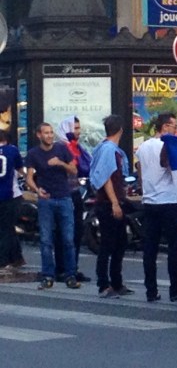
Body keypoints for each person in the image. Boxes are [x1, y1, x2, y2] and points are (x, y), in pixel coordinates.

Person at [136, 112, 177, 302]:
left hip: (150, 201)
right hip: (169, 200)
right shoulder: (168, 146)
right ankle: (176, 289)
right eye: (174, 126)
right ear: (165, 126)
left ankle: (151, 290)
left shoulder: (143, 147)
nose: (175, 129)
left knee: (150, 249)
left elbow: (141, 173)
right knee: (175, 248)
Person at [25, 122, 81, 290]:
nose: (49, 136)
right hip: (46, 200)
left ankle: (70, 274)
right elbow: (29, 178)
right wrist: (37, 190)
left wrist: (60, 163)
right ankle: (48, 275)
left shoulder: (61, 149)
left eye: (51, 133)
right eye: (46, 133)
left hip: (64, 198)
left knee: (68, 239)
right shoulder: (33, 154)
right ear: (39, 135)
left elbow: (74, 170)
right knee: (45, 240)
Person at [89, 115, 133, 299]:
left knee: (120, 243)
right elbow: (105, 177)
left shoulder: (109, 149)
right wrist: (114, 202)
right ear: (121, 130)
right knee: (108, 244)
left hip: (114, 201)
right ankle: (103, 284)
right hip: (108, 203)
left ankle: (116, 282)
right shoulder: (108, 150)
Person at [53, 116, 92, 283]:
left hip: (75, 193)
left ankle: (72, 268)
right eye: (74, 128)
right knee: (64, 234)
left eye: (78, 128)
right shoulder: (60, 148)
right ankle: (61, 269)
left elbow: (86, 167)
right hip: (62, 194)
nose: (78, 131)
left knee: (76, 233)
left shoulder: (77, 147)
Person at [0, 129, 24, 270]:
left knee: (4, 228)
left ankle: (8, 258)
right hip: (11, 194)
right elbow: (20, 169)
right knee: (7, 227)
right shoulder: (12, 150)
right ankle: (13, 258)